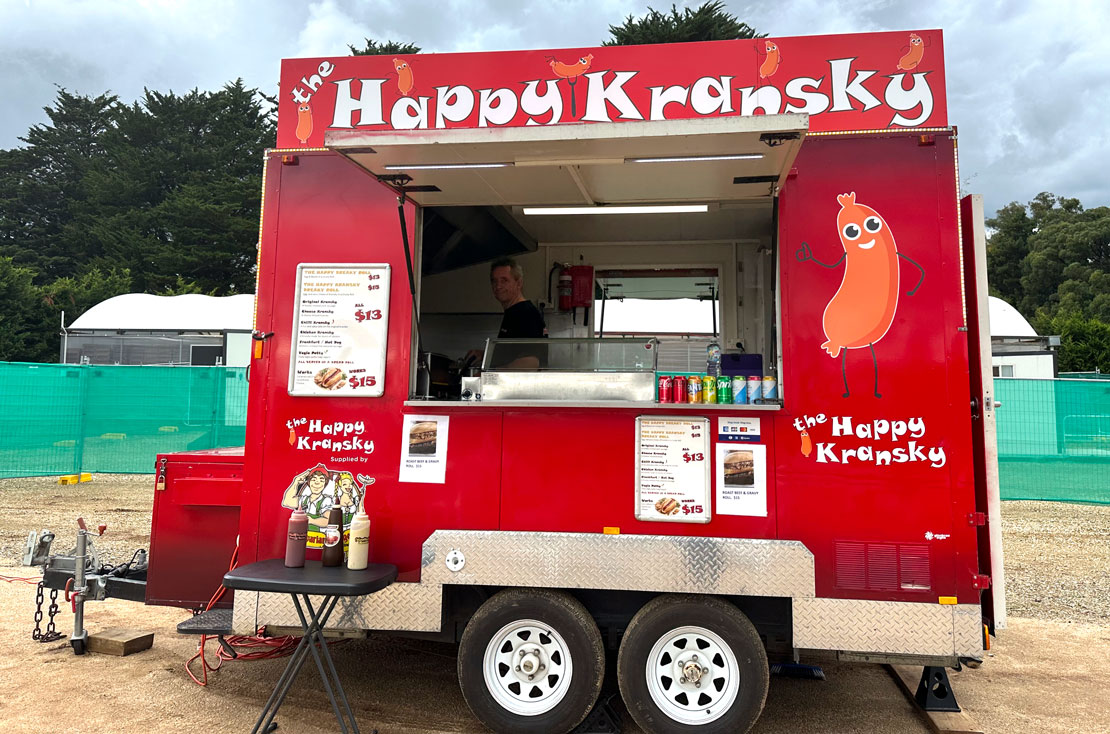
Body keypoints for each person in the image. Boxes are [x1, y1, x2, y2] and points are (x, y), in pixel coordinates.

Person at [469, 257, 548, 368]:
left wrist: (489, 377)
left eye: (504, 280)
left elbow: (530, 363)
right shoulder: (513, 312)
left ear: (519, 283)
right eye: (494, 281)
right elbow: (511, 355)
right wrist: (484, 355)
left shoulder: (526, 314)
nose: (498, 286)